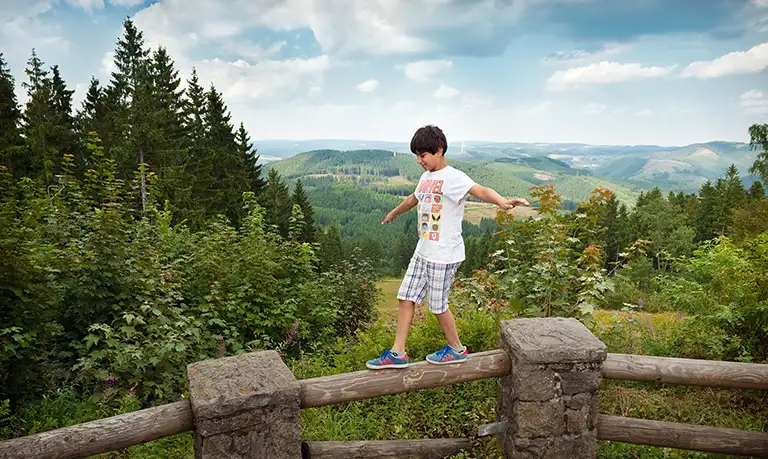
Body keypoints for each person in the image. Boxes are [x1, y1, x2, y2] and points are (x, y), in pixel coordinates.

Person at [366, 125, 530, 370]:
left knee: (437, 305)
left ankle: (456, 349)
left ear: (439, 150)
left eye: (423, 155)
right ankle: (397, 353)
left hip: (444, 254)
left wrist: (501, 201)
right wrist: (394, 213)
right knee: (406, 297)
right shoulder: (426, 178)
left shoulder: (454, 177)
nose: (419, 161)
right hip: (423, 250)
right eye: (417, 155)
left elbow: (480, 190)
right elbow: (413, 199)